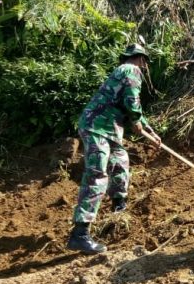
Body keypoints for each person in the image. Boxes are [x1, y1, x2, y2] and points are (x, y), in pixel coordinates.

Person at [67, 43, 161, 254]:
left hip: (109, 129)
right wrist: (136, 121)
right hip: (96, 127)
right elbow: (132, 102)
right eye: (144, 63)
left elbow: (133, 108)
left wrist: (150, 131)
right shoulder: (131, 70)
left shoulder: (122, 72)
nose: (144, 67)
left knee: (120, 162)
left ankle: (119, 208)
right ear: (141, 60)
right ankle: (80, 233)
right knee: (97, 174)